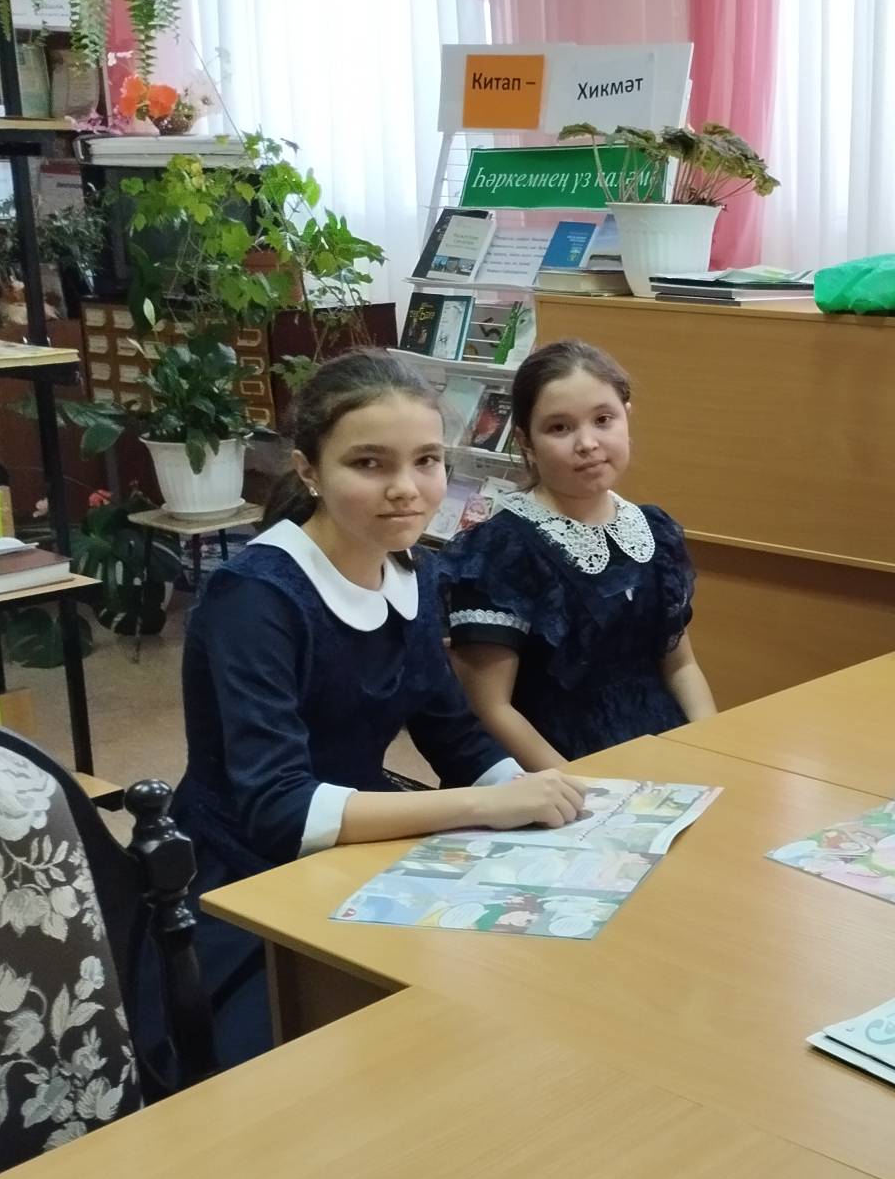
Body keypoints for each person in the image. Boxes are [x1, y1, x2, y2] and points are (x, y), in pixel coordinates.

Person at [168, 351, 589, 1066]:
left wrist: (550, 799)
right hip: (243, 882)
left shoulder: (413, 573)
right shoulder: (257, 597)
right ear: (308, 471)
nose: (406, 489)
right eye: (369, 464)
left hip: (356, 848)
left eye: (427, 461)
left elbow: (454, 735)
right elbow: (279, 809)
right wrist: (485, 806)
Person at [440, 340, 716, 770]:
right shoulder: (501, 549)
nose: (587, 443)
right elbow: (490, 707)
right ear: (526, 442)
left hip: (662, 753)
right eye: (559, 428)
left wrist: (710, 748)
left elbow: (680, 665)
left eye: (603, 420)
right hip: (558, 772)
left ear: (627, 416)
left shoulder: (654, 530)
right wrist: (584, 789)